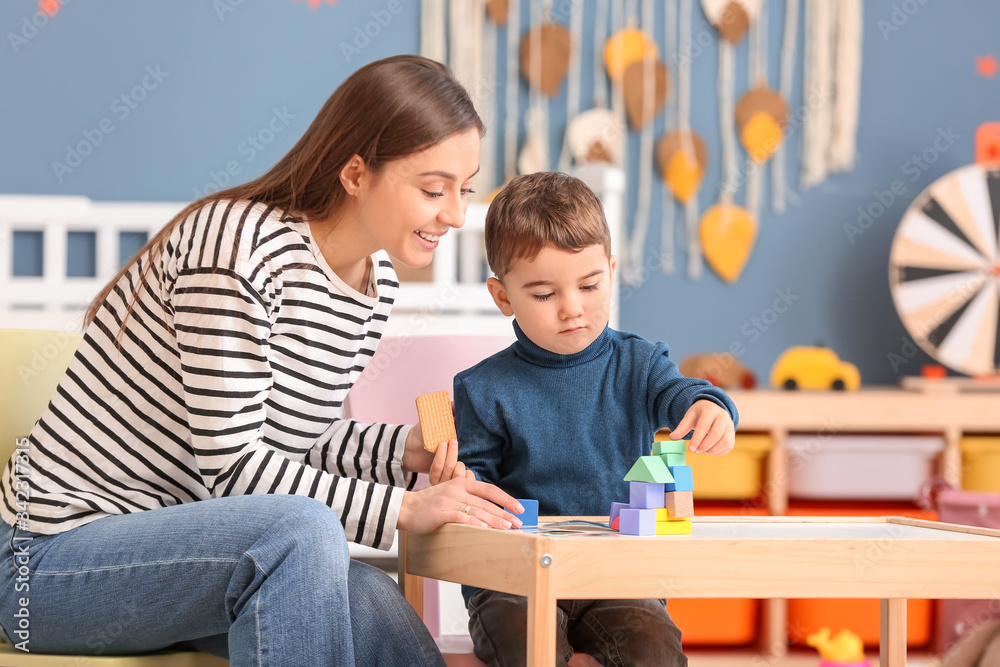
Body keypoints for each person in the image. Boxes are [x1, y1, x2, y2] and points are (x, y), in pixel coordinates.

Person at [0, 55, 524, 666]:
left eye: (464, 190)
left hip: (184, 560)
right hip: (49, 564)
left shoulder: (373, 283)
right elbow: (235, 468)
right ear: (355, 172)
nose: (457, 215)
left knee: (371, 601)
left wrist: (400, 450)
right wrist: (405, 509)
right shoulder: (237, 248)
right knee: (299, 534)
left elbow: (288, 440)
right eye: (434, 190)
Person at [452, 171, 739, 667]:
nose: (572, 309)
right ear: (503, 297)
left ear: (610, 268)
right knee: (523, 645)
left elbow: (679, 392)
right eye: (544, 295)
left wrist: (710, 407)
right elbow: (476, 487)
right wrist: (459, 483)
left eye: (590, 285)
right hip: (515, 580)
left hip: (618, 577)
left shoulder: (641, 363)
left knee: (653, 648)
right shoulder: (482, 388)